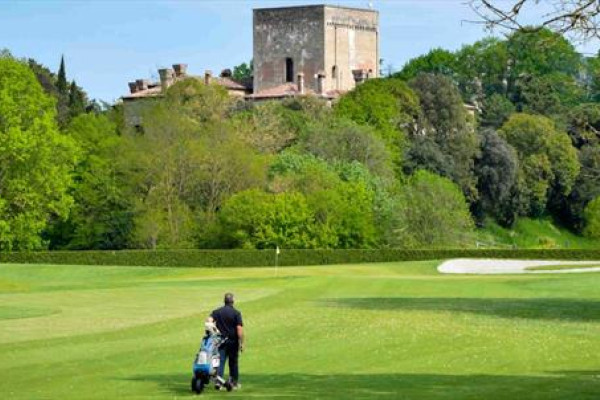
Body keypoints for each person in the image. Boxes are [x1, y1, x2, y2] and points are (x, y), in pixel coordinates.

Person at [211, 292, 244, 390]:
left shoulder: (217, 312)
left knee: (220, 362)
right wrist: (241, 342)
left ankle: (219, 382)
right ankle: (233, 382)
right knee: (233, 362)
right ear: (232, 301)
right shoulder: (236, 313)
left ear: (224, 301)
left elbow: (209, 320)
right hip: (233, 342)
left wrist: (213, 330)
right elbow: (239, 329)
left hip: (220, 341)